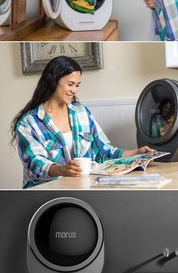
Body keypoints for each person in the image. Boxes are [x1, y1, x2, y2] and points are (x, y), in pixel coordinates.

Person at [11, 56, 153, 189]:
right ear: (53, 81)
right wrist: (61, 170)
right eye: (70, 84)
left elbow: (103, 151)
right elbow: (34, 162)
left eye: (77, 85)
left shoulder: (82, 113)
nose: (74, 90)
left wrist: (136, 153)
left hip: (82, 187)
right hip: (45, 191)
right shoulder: (29, 122)